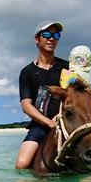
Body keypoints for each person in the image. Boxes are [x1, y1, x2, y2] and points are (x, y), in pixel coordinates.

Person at [15, 20, 69, 169]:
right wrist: (49, 123)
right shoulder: (27, 72)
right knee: (21, 164)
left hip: (67, 124)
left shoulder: (67, 68)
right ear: (37, 39)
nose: (51, 38)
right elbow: (26, 106)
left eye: (56, 35)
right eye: (46, 34)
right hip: (40, 127)